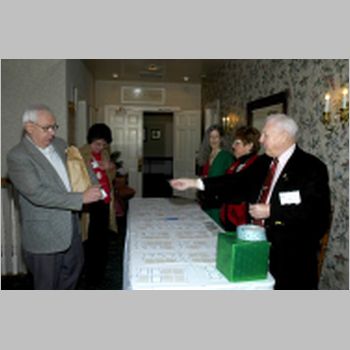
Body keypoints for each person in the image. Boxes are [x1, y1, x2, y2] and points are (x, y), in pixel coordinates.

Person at [170, 114, 331, 289]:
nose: (261, 140)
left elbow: (317, 216)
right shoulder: (264, 162)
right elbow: (235, 182)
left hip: (291, 258)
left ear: (284, 136)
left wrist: (272, 211)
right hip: (254, 248)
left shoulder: (311, 167)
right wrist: (195, 183)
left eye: (266, 135)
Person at [7, 104, 102, 289]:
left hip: (71, 228)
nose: (52, 133)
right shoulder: (18, 156)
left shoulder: (59, 144)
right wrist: (80, 199)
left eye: (54, 127)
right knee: (47, 286)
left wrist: (92, 182)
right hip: (44, 237)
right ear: (29, 127)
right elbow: (37, 194)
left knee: (73, 273)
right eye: (46, 128)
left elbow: (80, 166)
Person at [79, 123, 117, 286]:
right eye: (98, 144)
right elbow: (77, 180)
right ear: (90, 140)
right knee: (91, 245)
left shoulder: (105, 153)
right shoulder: (81, 154)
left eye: (104, 145)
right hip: (91, 204)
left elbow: (111, 175)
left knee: (102, 244)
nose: (101, 148)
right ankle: (91, 281)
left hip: (105, 202)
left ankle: (99, 277)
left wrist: (110, 167)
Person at [220, 126, 261, 231]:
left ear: (249, 146)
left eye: (237, 143)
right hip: (229, 218)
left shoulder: (257, 165)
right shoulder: (236, 163)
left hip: (243, 222)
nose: (233, 146)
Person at [196, 124, 234, 225]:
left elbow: (232, 180)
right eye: (211, 137)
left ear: (221, 138)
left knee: (217, 226)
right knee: (206, 225)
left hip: (219, 201)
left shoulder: (226, 156)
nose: (213, 140)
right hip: (206, 198)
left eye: (216, 137)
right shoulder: (206, 155)